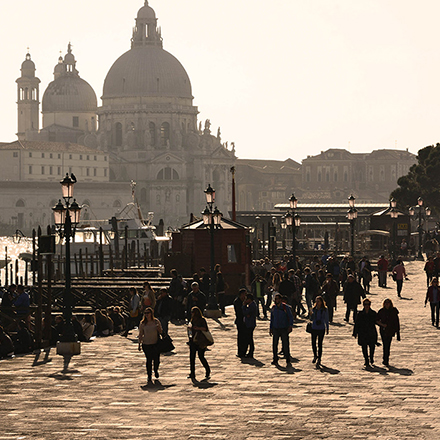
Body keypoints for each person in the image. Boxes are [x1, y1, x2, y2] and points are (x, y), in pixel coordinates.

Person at [138, 307, 162, 384]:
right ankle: (149, 375)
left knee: (156, 360)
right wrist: (139, 344)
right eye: (145, 313)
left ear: (151, 313)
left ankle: (155, 370)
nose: (146, 314)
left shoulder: (156, 321)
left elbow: (161, 331)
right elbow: (140, 334)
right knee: (149, 360)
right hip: (146, 344)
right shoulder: (142, 323)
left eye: (148, 313)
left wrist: (158, 328)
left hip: (155, 343)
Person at [269, 293, 294, 367]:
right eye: (275, 299)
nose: (276, 300)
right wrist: (271, 328)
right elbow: (272, 319)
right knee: (274, 344)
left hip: (284, 328)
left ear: (280, 299)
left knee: (285, 344)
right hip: (276, 328)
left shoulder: (285, 307)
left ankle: (287, 358)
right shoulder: (274, 308)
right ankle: (275, 358)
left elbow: (290, 317)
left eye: (278, 299)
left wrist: (290, 326)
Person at [187, 306, 211, 380]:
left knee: (201, 356)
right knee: (192, 357)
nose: (192, 314)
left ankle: (207, 370)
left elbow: (205, 328)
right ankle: (192, 373)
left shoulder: (202, 320)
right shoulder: (192, 320)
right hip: (193, 340)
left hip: (200, 340)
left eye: (193, 312)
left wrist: (198, 328)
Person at [353, 298, 377, 368]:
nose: (367, 306)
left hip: (371, 332)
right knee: (364, 347)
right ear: (363, 305)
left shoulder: (373, 313)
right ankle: (366, 360)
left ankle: (371, 357)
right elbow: (357, 323)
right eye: (365, 304)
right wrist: (355, 333)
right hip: (363, 333)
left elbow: (377, 321)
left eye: (368, 304)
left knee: (372, 346)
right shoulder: (360, 314)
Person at [376, 298, 400, 366]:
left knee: (387, 345)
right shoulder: (381, 311)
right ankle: (385, 359)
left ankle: (386, 359)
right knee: (385, 344)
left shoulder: (393, 311)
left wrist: (397, 332)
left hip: (390, 330)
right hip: (383, 330)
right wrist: (382, 325)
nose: (387, 304)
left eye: (388, 303)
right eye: (385, 303)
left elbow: (396, 322)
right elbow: (376, 320)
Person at [309, 296, 329, 366]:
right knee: (313, 343)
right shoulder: (314, 309)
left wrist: (327, 328)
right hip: (314, 327)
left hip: (321, 328)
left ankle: (319, 358)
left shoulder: (324, 309)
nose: (317, 303)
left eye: (318, 301)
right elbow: (311, 319)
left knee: (320, 344)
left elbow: (326, 319)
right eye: (316, 301)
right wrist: (311, 314)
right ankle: (315, 355)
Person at [242, 293, 257, 358]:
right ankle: (250, 352)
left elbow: (246, 312)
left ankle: (251, 352)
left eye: (246, 299)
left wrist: (244, 306)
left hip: (250, 323)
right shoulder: (251, 305)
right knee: (249, 338)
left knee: (249, 338)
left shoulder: (251, 305)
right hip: (249, 323)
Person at [234, 289, 247, 357]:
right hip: (240, 321)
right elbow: (239, 312)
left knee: (245, 337)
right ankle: (240, 352)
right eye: (244, 294)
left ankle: (244, 351)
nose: (245, 295)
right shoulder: (237, 301)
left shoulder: (245, 301)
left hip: (245, 321)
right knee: (240, 337)